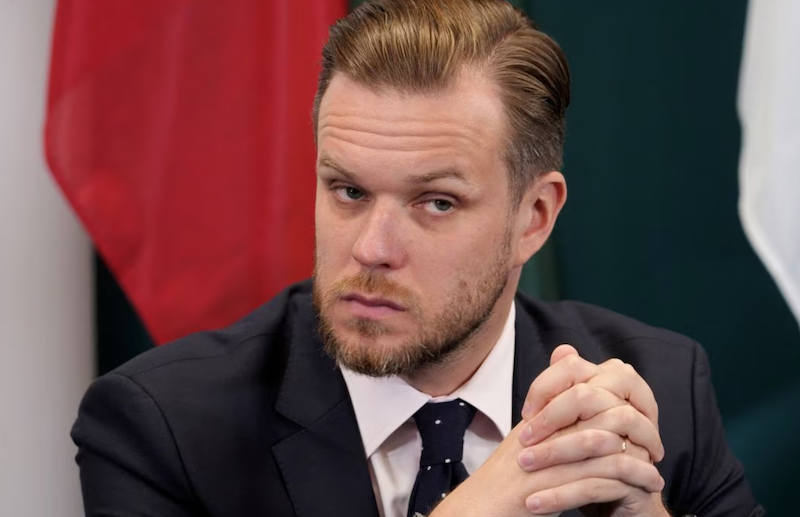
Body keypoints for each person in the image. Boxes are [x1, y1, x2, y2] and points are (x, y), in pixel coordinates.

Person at [71, 1, 763, 516]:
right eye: (347, 190)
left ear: (535, 217)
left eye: (435, 203)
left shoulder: (661, 391)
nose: (370, 248)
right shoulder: (162, 427)